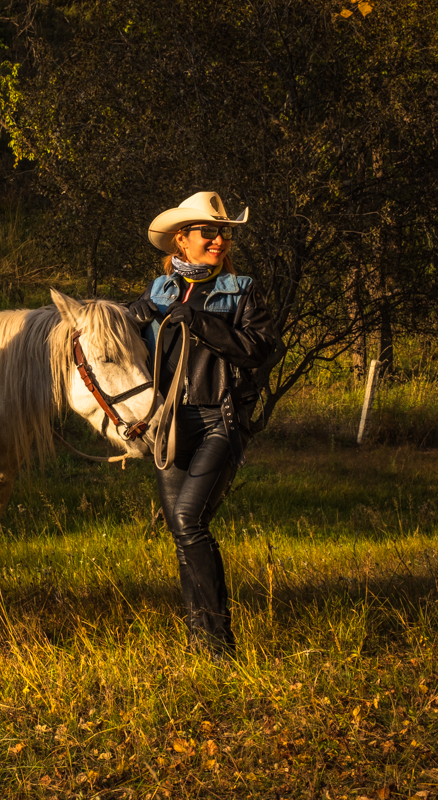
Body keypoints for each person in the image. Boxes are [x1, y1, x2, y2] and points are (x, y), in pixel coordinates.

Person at [129, 192, 281, 660]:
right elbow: (134, 355)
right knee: (183, 532)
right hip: (171, 424)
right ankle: (202, 642)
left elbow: (260, 349)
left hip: (221, 417)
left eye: (225, 232)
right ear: (182, 240)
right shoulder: (159, 292)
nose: (220, 240)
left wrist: (200, 321)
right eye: (209, 232)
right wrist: (133, 321)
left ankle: (219, 646)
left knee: (187, 520)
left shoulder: (244, 289)